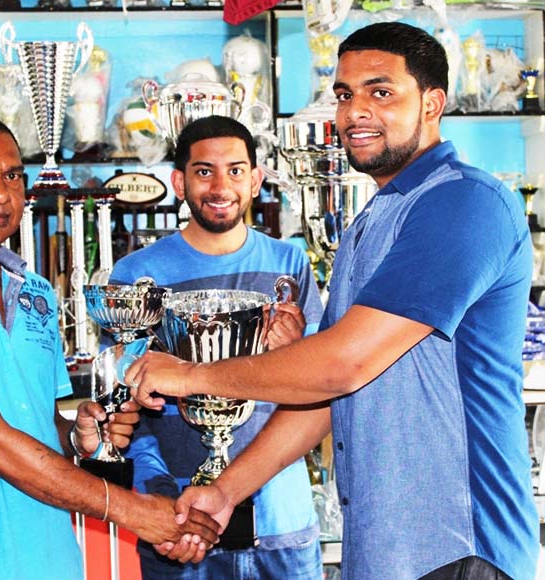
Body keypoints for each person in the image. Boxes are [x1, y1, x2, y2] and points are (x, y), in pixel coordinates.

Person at [127, 22, 541, 580]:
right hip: (384, 551)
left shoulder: (462, 202)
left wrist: (188, 376)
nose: (354, 111)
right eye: (344, 94)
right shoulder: (372, 222)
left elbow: (341, 365)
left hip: (459, 545)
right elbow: (329, 396)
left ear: (433, 103)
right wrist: (227, 491)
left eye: (381, 91)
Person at [0, 112, 219, 580]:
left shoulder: (34, 292)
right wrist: (131, 511)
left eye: (12, 176)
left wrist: (80, 436)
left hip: (54, 563)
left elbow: (40, 426)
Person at [106, 115, 326, 579]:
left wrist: (296, 350)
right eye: (204, 171)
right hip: (180, 523)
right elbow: (126, 406)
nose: (221, 185)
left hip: (279, 522)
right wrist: (159, 493)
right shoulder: (138, 275)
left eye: (236, 170)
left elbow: (322, 387)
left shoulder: (289, 263)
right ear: (179, 182)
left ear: (256, 180)